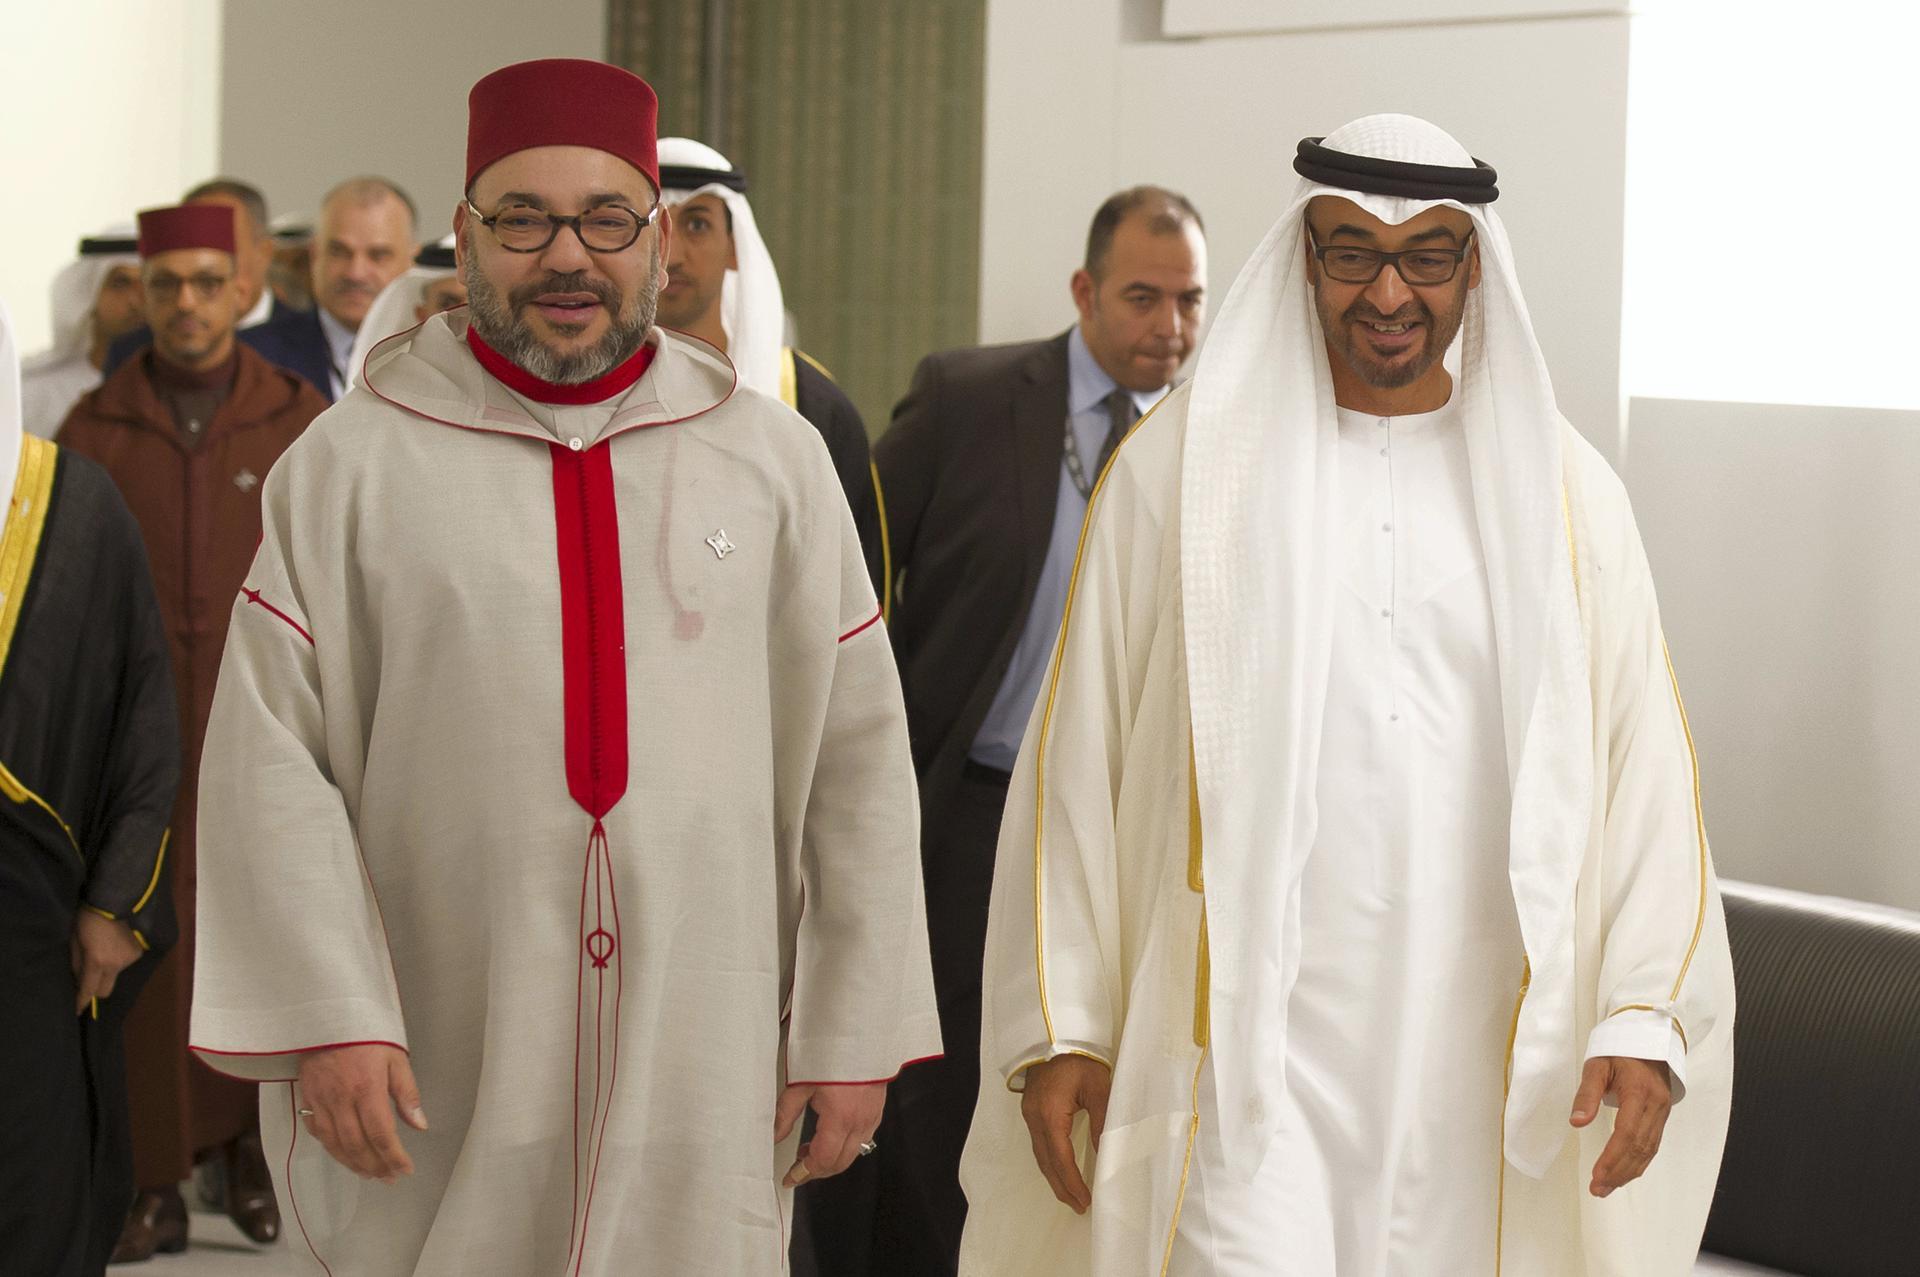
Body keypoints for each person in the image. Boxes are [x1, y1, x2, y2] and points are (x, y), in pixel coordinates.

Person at [188, 59, 939, 1276]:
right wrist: (328, 1013)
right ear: (466, 237)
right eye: (524, 220)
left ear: (658, 239)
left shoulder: (774, 462)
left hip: (706, 1037)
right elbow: (270, 763)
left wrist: (851, 1024)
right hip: (443, 1032)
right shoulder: (351, 465)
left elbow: (857, 765)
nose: (567, 258)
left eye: (607, 220)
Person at [957, 114, 1736, 1277]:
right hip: (1241, 1056)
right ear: (1305, 258)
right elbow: (1080, 756)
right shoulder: (1182, 473)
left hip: (1482, 1071)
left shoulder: (1569, 497)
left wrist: (1640, 1008)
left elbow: (1646, 774)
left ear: (1475, 267)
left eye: (1427, 255)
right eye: (1353, 252)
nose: (1389, 291)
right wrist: (1066, 1018)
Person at [828, 186, 1203, 1274]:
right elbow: (855, 567)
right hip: (969, 811)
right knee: (939, 1082)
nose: (1169, 326)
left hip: (1118, 834)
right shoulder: (971, 398)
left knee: (1094, 1074)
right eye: (1142, 297)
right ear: (1085, 291)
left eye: (1190, 300)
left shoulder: (1212, 436)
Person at [55, 201, 329, 1261]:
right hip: (135, 747)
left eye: (209, 281)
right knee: (148, 952)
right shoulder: (96, 425)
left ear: (245, 286)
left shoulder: (296, 416)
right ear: (144, 291)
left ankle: (250, 1152)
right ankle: (155, 1178)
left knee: (264, 932)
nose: (188, 303)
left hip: (267, 731)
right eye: (168, 283)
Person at [0, 299, 180, 1276]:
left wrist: (117, 904)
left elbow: (142, 713)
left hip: (29, 925)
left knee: (29, 1177)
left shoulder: (77, 504)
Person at [654, 137, 886, 593]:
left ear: (735, 246)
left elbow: (860, 591)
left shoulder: (811, 403)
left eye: (697, 225)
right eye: (657, 228)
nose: (673, 254)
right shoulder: (588, 394)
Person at [246, 176, 419, 400]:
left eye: (378, 255)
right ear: (314, 254)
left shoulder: (438, 358)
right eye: (339, 252)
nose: (355, 273)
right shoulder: (252, 356)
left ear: (412, 262)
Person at [19, 228, 144, 437]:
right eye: (121, 284)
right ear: (89, 294)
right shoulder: (30, 394)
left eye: (149, 284)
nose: (137, 301)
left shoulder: (181, 391)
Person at [343, 236, 466, 388]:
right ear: (422, 316)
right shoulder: (392, 390)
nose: (465, 315)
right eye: (448, 303)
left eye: (475, 304)